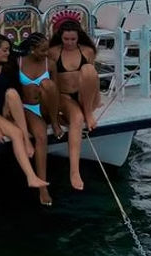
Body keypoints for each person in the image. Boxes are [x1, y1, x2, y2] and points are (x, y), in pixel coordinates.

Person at [0, 34, 49, 189]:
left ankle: (27, 143)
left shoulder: (7, 66)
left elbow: (14, 93)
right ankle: (31, 176)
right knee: (16, 134)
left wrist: (7, 108)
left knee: (12, 93)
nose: (8, 53)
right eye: (5, 50)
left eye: (8, 50)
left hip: (5, 110)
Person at [48, 20, 101, 191]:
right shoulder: (54, 52)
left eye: (73, 39)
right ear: (60, 37)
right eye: (66, 39)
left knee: (88, 70)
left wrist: (94, 101)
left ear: (79, 37)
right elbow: (52, 82)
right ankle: (74, 171)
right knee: (76, 120)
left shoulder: (88, 51)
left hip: (85, 95)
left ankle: (88, 113)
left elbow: (93, 80)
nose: (69, 43)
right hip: (65, 97)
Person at [16, 32, 62, 206]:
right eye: (42, 50)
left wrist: (56, 117)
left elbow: (55, 92)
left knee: (48, 84)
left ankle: (55, 124)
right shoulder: (18, 62)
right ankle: (42, 186)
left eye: (47, 49)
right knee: (41, 137)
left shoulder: (50, 64)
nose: (46, 53)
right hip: (28, 108)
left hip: (46, 107)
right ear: (32, 49)